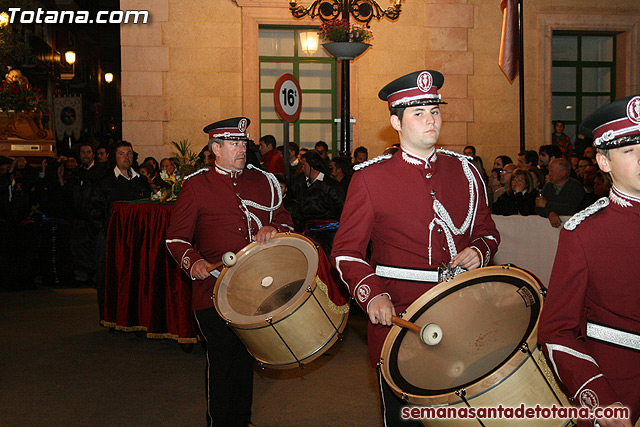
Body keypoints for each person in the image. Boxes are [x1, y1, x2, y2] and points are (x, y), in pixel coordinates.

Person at [331, 70, 500, 427]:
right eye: (418, 113)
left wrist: (480, 252)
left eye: (434, 111)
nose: (430, 120)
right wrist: (372, 294)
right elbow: (346, 251)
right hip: (401, 317)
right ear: (396, 121)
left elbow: (487, 231)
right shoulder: (369, 178)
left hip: (463, 315)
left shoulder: (466, 171)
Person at [165, 117, 293, 427]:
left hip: (256, 291)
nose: (241, 149)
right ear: (215, 150)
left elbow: (287, 221)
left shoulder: (264, 181)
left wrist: (273, 227)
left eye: (243, 143)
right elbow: (176, 239)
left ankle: (242, 420)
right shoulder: (196, 186)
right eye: (233, 144)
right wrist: (192, 262)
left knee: (244, 358)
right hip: (213, 291)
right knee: (222, 360)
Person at [538, 95, 640, 427]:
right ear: (604, 162)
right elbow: (555, 331)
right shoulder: (584, 232)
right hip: (618, 378)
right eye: (629, 151)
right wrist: (598, 397)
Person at [90, 140, 151, 319]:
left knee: (136, 279)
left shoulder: (141, 181)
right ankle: (112, 317)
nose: (127, 157)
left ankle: (136, 317)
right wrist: (109, 232)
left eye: (130, 153)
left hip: (138, 241)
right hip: (111, 240)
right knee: (112, 280)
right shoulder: (105, 182)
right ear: (114, 156)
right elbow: (94, 211)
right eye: (122, 153)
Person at [290, 150, 345, 256]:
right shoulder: (301, 183)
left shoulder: (330, 185)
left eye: (304, 165)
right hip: (309, 234)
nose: (302, 168)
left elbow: (341, 208)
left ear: (313, 165)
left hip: (328, 237)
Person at [535, 157, 585, 228]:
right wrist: (549, 213)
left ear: (563, 173)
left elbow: (571, 208)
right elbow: (538, 207)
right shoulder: (548, 187)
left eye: (552, 171)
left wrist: (547, 204)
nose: (549, 174)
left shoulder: (575, 187)